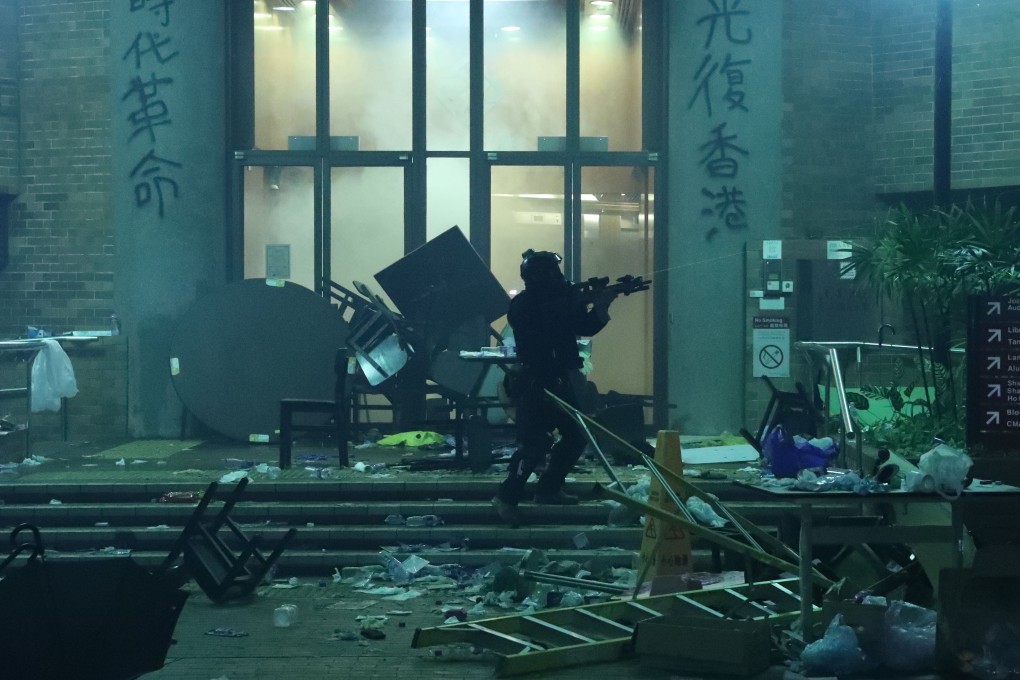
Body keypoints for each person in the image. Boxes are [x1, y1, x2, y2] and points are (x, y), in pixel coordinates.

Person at [492, 249, 617, 526]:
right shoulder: (524, 305)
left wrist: (600, 306)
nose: (560, 278)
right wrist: (576, 302)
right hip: (536, 383)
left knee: (575, 435)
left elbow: (584, 326)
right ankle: (506, 497)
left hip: (561, 379)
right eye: (553, 273)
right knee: (534, 445)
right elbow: (547, 320)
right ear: (539, 276)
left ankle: (548, 488)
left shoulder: (558, 300)